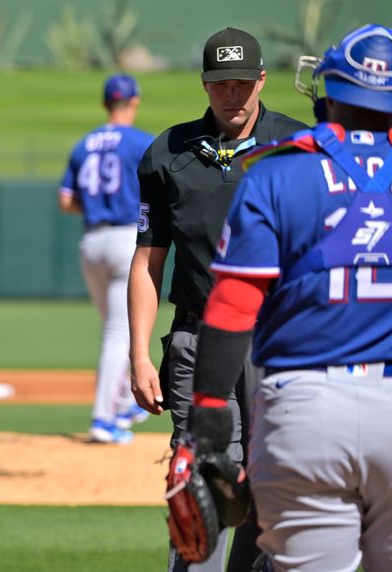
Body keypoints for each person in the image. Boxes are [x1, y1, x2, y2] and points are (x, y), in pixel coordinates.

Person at [186, 24, 392, 571]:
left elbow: (230, 308)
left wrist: (206, 427)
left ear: (327, 95)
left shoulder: (277, 173)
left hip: (306, 410)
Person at [127, 28, 307, 570]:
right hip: (198, 341)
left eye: (242, 83)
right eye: (219, 83)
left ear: (261, 81)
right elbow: (148, 261)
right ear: (204, 85)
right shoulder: (167, 153)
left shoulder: (299, 148)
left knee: (275, 490)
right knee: (200, 496)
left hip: (277, 344)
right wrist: (138, 355)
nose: (232, 94)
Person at [59, 73, 155, 444]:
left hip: (92, 242)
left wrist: (97, 204)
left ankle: (121, 403)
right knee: (120, 332)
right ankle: (103, 418)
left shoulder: (84, 144)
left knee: (114, 328)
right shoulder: (141, 142)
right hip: (125, 239)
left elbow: (65, 200)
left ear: (104, 103)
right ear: (134, 102)